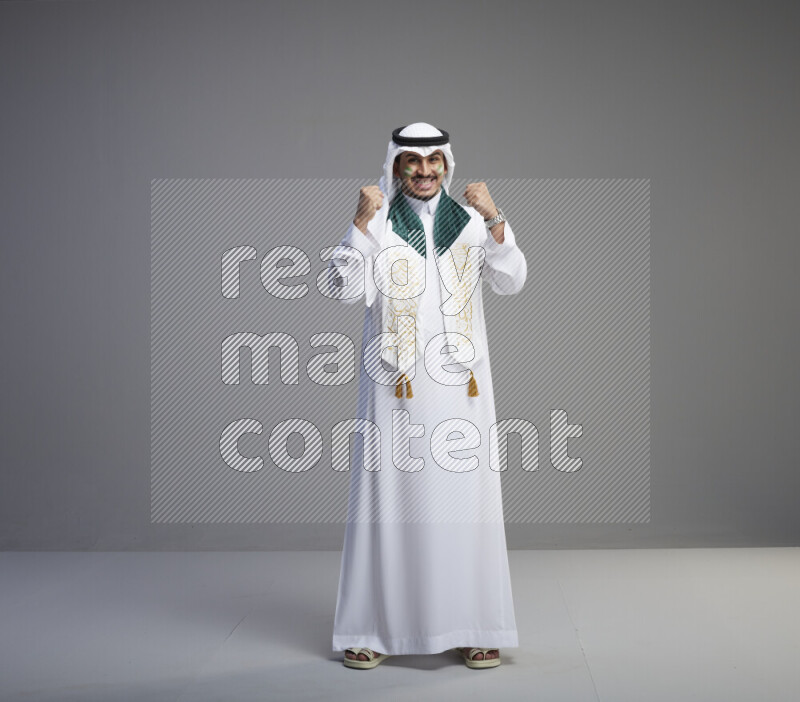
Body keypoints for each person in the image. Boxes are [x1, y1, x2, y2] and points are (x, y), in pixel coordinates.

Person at [324, 123, 527, 669]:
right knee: (387, 506)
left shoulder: (470, 226)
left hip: (462, 388)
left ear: (447, 165)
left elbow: (512, 280)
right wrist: (360, 224)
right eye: (411, 162)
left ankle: (474, 626)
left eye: (433, 161)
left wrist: (494, 215)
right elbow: (343, 288)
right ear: (393, 167)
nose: (423, 172)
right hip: (395, 388)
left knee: (467, 506)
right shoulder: (380, 224)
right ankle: (372, 628)